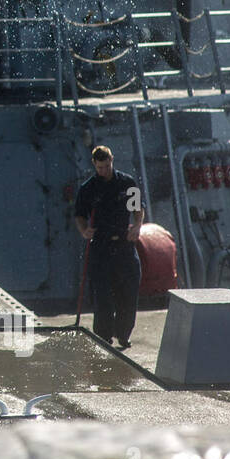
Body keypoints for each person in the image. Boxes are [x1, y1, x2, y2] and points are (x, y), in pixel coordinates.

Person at [74, 145, 144, 348]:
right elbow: (79, 215)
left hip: (124, 245)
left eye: (107, 166)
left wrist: (138, 226)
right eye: (100, 167)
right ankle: (104, 338)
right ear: (94, 165)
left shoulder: (127, 183)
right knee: (103, 296)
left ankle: (123, 335)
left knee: (128, 294)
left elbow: (138, 209)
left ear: (112, 160)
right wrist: (84, 230)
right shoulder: (88, 189)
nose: (104, 170)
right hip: (101, 248)